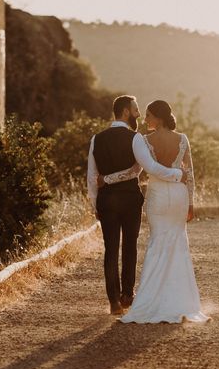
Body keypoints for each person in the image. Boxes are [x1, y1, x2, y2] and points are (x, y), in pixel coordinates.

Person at [100, 100, 210, 324]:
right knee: (178, 244)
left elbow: (134, 171)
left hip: (158, 196)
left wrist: (107, 179)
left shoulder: (144, 140)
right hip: (179, 196)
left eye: (148, 115)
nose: (144, 119)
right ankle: (181, 301)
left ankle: (152, 299)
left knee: (157, 243)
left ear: (158, 118)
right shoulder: (183, 139)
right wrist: (190, 203)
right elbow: (190, 174)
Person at [87, 95, 185, 315]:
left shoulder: (96, 139)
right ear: (125, 112)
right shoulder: (136, 138)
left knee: (110, 250)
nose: (139, 115)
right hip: (130, 200)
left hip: (106, 201)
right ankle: (127, 296)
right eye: (136, 110)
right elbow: (144, 168)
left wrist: (95, 204)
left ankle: (113, 301)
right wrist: (177, 174)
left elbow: (91, 176)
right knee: (129, 247)